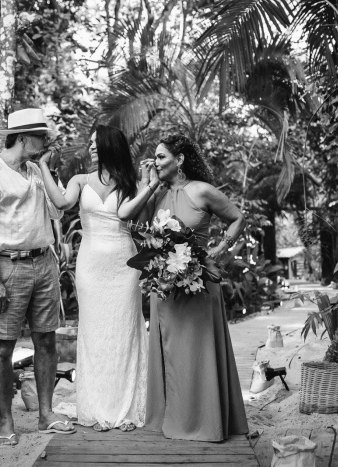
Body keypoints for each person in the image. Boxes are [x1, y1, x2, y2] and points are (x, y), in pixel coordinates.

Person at [117, 133, 249, 442]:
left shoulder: (201, 191)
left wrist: (219, 250)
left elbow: (237, 218)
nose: (156, 161)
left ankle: (207, 421)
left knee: (199, 353)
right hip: (165, 286)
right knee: (171, 352)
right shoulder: (154, 192)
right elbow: (130, 221)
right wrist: (146, 180)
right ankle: (172, 418)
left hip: (199, 285)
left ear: (180, 160)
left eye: (161, 157)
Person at [0, 108, 76, 448]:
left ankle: (45, 415)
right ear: (23, 137)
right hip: (7, 266)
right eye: (41, 137)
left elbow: (58, 210)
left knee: (46, 340)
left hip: (44, 264)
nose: (45, 143)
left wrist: (46, 169)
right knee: (2, 347)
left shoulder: (36, 170)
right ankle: (6, 424)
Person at [38, 124, 148, 432]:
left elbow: (136, 219)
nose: (91, 147)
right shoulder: (79, 180)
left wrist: (148, 185)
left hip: (124, 264)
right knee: (95, 336)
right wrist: (43, 165)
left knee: (124, 332)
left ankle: (125, 409)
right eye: (90, 143)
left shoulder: (131, 183)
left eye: (95, 142)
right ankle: (97, 409)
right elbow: (61, 204)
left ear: (109, 145)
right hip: (90, 267)